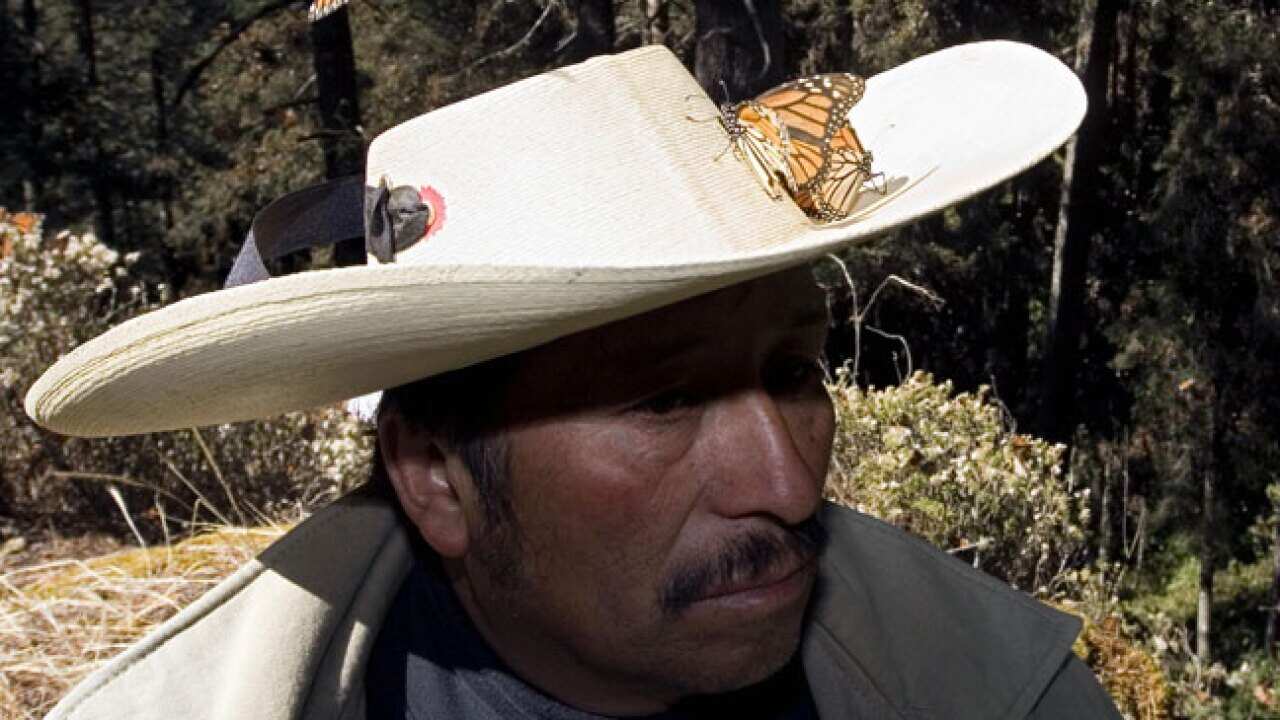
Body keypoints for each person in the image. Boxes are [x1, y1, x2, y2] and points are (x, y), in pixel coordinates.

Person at [27, 43, 1121, 719]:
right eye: (661, 401)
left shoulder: (993, 688)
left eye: (793, 370)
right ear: (436, 478)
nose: (786, 487)